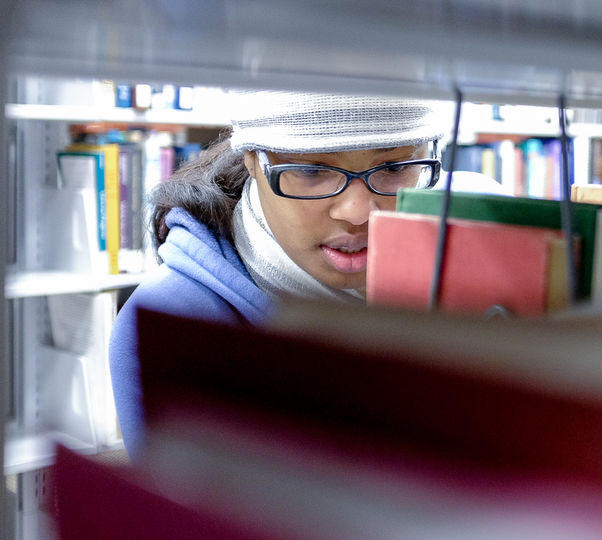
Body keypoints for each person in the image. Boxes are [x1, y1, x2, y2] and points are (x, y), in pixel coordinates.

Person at [109, 90, 501, 458]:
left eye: (394, 168)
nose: (358, 212)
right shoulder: (173, 321)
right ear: (253, 162)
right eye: (313, 171)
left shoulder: (480, 254)